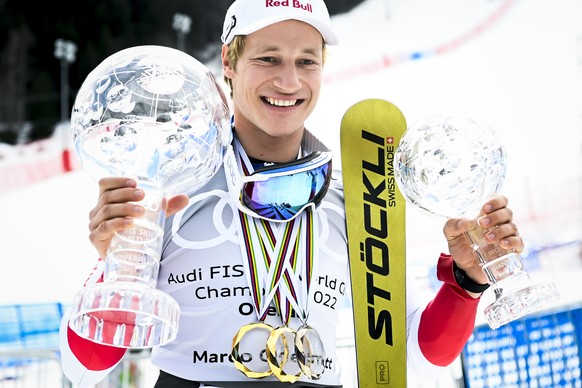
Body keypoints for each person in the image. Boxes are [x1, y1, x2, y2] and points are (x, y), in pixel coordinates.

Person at [59, 0, 526, 386]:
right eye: (268, 58)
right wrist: (111, 270)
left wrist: (466, 281)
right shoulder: (174, 185)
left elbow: (414, 358)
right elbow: (84, 365)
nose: (289, 81)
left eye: (307, 61)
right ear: (228, 61)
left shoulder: (357, 199)